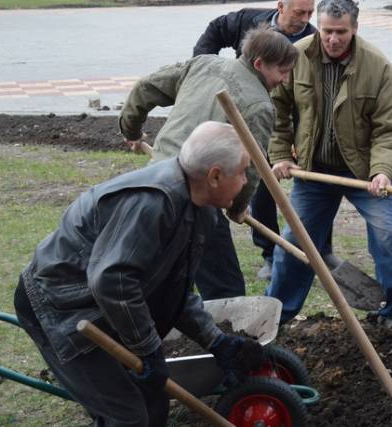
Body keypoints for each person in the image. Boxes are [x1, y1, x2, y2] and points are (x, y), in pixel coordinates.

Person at [14, 121, 262, 427]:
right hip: (59, 306)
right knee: (127, 416)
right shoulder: (152, 204)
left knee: (153, 401)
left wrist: (216, 342)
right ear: (214, 176)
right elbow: (112, 282)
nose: (245, 181)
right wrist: (149, 349)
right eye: (242, 172)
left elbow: (174, 289)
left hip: (101, 302)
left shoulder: (201, 211)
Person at [120, 28, 299, 300]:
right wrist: (237, 207)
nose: (284, 80)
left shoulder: (203, 63)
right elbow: (250, 167)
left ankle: (168, 330)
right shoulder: (260, 105)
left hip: (154, 180)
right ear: (259, 64)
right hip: (200, 197)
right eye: (282, 72)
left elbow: (147, 87)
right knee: (224, 287)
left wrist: (131, 129)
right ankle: (227, 337)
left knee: (164, 272)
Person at [266, 0, 392, 326]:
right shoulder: (298, 56)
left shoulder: (377, 66)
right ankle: (276, 317)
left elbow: (391, 128)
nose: (332, 40)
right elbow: (279, 111)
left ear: (355, 29)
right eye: (327, 31)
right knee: (293, 244)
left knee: (387, 236)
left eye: (341, 32)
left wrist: (382, 171)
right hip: (313, 173)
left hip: (364, 175)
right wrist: (279, 155)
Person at [192, 0, 321, 281]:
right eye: (298, 13)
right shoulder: (251, 21)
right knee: (252, 177)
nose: (304, 20)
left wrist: (294, 140)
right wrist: (208, 66)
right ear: (280, 7)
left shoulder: (311, 43)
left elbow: (309, 98)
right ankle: (268, 251)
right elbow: (215, 30)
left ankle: (303, 249)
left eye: (309, 14)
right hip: (239, 111)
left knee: (265, 179)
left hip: (279, 118)